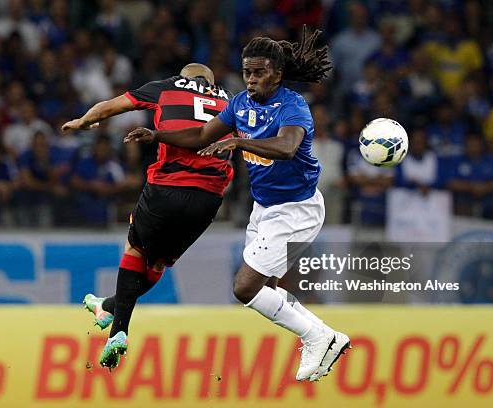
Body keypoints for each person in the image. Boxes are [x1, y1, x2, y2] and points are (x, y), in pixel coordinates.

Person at [128, 27, 351, 382]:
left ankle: (317, 336)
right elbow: (201, 136)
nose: (250, 80)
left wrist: (237, 142)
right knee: (266, 290)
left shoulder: (293, 106)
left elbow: (286, 147)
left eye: (259, 72)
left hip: (296, 208)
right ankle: (327, 336)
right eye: (247, 72)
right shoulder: (239, 104)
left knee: (245, 288)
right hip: (264, 209)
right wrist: (157, 134)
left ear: (276, 74)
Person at [61, 63, 233, 369]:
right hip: (209, 198)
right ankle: (108, 306)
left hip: (168, 187)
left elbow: (110, 107)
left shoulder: (167, 86)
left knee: (136, 249)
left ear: (184, 77)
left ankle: (119, 331)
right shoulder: (230, 102)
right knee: (157, 262)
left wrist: (84, 121)